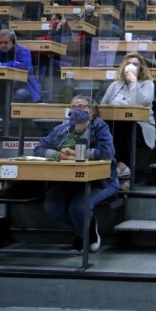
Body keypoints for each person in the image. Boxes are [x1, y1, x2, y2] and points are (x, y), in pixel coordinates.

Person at [34, 95, 118, 252]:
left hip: (100, 180)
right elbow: (39, 149)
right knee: (52, 207)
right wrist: (60, 155)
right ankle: (89, 225)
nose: (76, 110)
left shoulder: (100, 127)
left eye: (81, 107)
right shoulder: (61, 129)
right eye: (73, 107)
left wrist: (78, 153)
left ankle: (82, 235)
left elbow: (106, 153)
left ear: (91, 112)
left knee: (78, 208)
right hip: (67, 179)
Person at [100, 52, 155, 189]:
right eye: (128, 64)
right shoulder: (115, 85)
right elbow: (103, 106)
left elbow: (139, 104)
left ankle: (121, 168)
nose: (131, 66)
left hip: (140, 125)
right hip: (114, 124)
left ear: (141, 68)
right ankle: (118, 168)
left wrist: (133, 83)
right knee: (110, 127)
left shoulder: (147, 84)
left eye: (135, 64)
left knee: (124, 125)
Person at [0, 29, 41, 107]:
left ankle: (11, 118)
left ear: (13, 41)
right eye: (0, 43)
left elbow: (23, 65)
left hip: (23, 86)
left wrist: (1, 65)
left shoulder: (24, 51)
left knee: (20, 94)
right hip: (1, 86)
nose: (2, 45)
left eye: (5, 42)